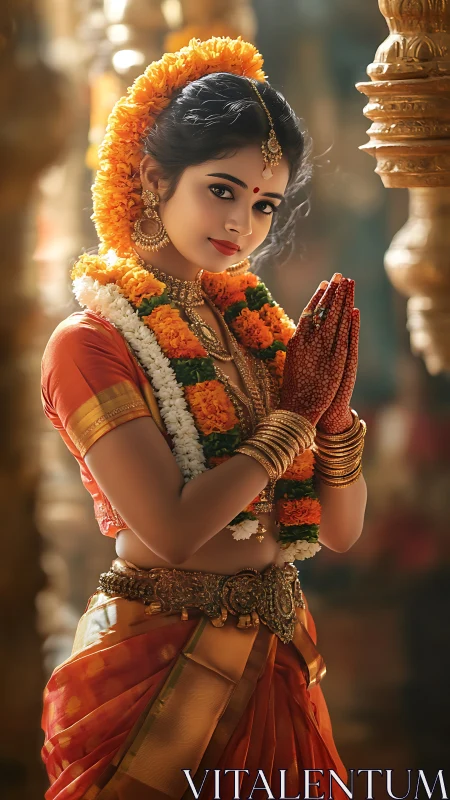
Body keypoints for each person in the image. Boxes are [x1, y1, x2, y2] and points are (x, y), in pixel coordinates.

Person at [40, 36, 367, 800]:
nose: (244, 225)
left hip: (277, 661)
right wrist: (294, 418)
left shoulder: (256, 331)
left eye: (263, 205)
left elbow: (340, 532)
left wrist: (335, 412)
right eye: (222, 190)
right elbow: (174, 529)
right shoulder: (90, 342)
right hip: (160, 675)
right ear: (155, 178)